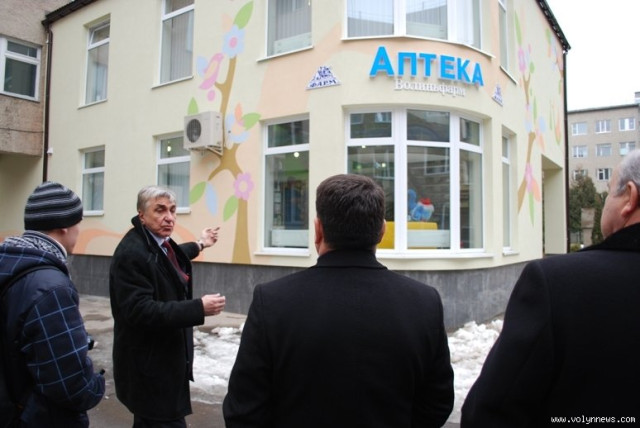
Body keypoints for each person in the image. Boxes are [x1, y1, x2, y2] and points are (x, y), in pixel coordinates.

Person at [223, 174, 454, 428]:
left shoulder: (272, 301)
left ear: (318, 230)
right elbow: (437, 403)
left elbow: (243, 411)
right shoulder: (423, 302)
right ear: (382, 231)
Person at [461, 150, 640, 426]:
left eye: (607, 193)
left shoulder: (558, 284)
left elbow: (490, 412)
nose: (605, 202)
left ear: (629, 197)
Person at [109, 185, 226, 427]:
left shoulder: (154, 243)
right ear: (142, 215)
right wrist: (198, 308)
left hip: (160, 365)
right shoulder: (132, 253)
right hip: (149, 369)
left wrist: (201, 244)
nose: (169, 217)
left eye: (173, 210)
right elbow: (140, 311)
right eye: (160, 210)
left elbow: (171, 256)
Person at [0, 181, 105, 427]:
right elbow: (71, 385)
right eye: (79, 222)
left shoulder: (11, 264)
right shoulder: (51, 287)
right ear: (65, 227)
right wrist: (97, 384)